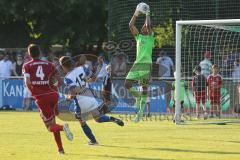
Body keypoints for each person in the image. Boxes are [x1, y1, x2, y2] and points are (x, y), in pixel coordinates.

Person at [59, 56, 124, 145]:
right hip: (91, 98)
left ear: (63, 66)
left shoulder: (67, 78)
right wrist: (85, 83)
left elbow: (73, 92)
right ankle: (112, 119)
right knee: (98, 118)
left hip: (81, 103)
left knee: (82, 122)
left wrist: (68, 97)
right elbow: (94, 78)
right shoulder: (82, 68)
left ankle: (93, 141)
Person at [22, 44, 73, 154]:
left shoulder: (27, 66)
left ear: (29, 54)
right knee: (53, 122)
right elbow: (59, 82)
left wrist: (35, 92)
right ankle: (60, 149)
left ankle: (64, 127)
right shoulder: (50, 65)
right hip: (53, 95)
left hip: (41, 98)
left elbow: (28, 83)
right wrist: (53, 88)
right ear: (39, 52)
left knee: (50, 127)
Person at [124, 3, 154, 122]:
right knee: (127, 84)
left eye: (145, 27)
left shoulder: (151, 37)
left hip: (147, 64)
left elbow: (148, 24)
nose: (143, 27)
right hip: (137, 64)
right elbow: (130, 25)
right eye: (142, 26)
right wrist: (136, 13)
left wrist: (147, 13)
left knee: (144, 88)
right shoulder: (138, 37)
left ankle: (140, 114)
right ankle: (138, 98)